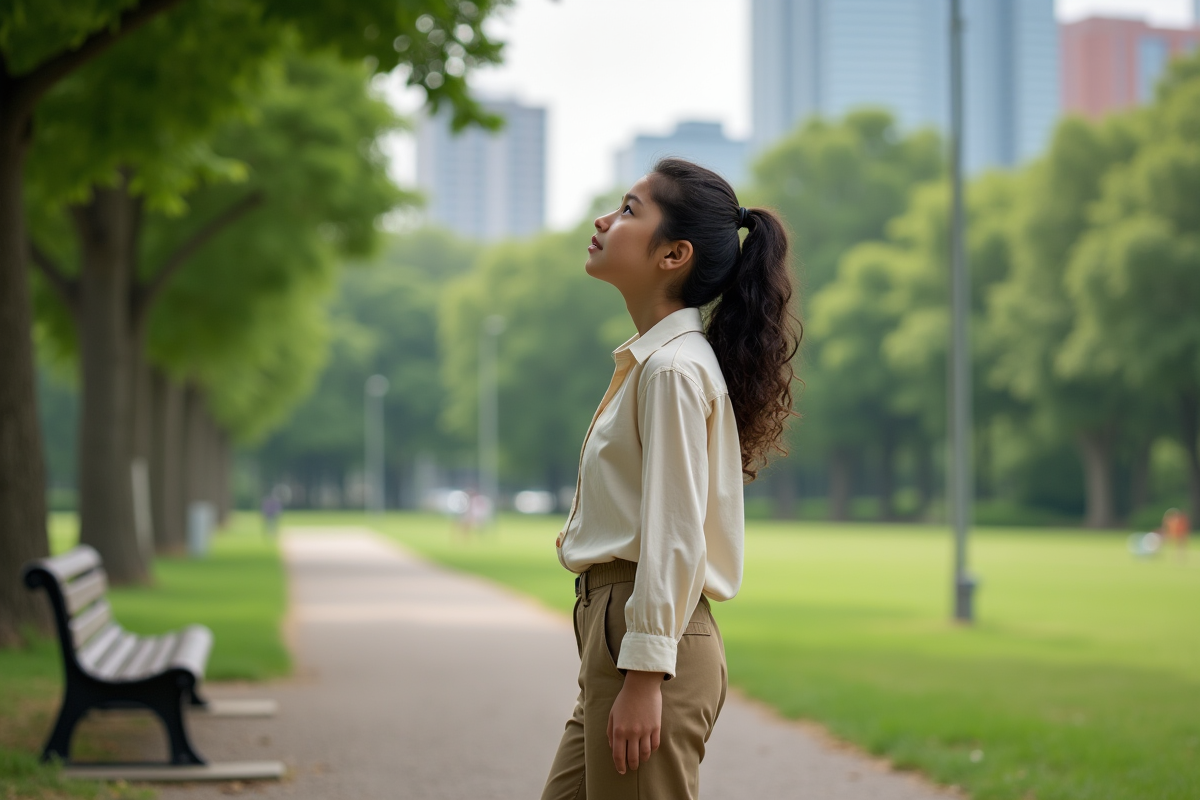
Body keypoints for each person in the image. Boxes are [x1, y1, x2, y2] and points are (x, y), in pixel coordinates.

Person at [540, 159, 802, 799]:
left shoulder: (672, 371)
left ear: (674, 254)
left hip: (646, 647)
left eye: (630, 210)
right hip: (622, 641)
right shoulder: (658, 362)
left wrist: (643, 675)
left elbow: (675, 534)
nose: (605, 220)